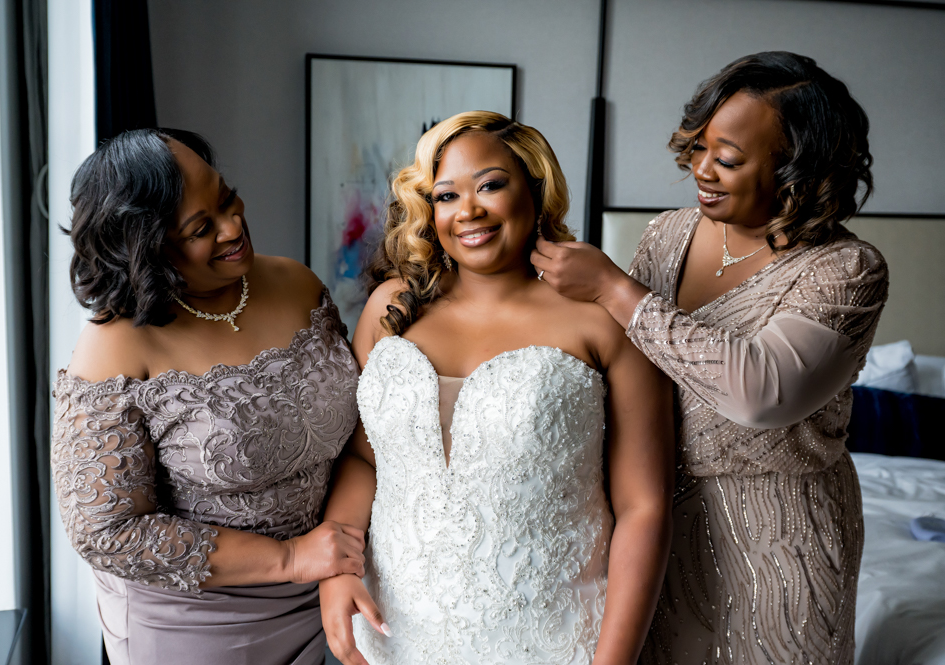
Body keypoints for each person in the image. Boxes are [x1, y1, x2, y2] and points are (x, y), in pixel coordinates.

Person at [531, 52, 888, 664]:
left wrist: (617, 290)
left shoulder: (845, 270)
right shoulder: (668, 234)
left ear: (799, 170)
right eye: (697, 149)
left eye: (725, 159)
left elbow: (763, 393)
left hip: (780, 545)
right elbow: (622, 366)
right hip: (650, 524)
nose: (701, 170)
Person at [318, 111, 675, 665]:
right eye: (446, 196)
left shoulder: (602, 319)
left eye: (490, 185)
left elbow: (644, 507)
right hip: (395, 631)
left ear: (535, 188)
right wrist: (336, 569)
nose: (469, 211)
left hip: (546, 635)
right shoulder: (390, 309)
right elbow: (367, 458)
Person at [51, 128, 364, 665]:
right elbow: (106, 532)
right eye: (201, 228)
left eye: (226, 197)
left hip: (326, 581)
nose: (233, 225)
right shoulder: (114, 347)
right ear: (145, 250)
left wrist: (336, 549)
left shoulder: (296, 283)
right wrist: (288, 558)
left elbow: (364, 429)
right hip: (199, 623)